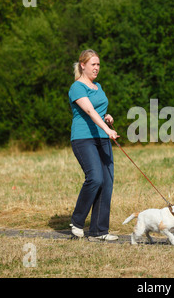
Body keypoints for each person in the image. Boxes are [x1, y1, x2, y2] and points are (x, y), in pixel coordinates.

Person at [68, 49, 119, 241]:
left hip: (102, 138)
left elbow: (98, 109)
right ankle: (77, 221)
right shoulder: (77, 87)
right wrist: (108, 130)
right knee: (95, 178)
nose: (97, 68)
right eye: (93, 65)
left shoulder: (98, 86)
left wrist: (108, 117)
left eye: (98, 64)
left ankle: (99, 231)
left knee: (106, 183)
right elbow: (89, 110)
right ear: (83, 65)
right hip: (83, 138)